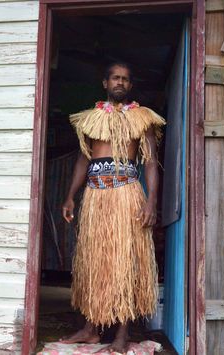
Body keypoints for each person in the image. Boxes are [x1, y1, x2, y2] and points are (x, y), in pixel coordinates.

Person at [60, 62, 165, 353]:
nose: (120, 82)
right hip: (95, 196)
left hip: (126, 196)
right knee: (94, 262)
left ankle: (122, 333)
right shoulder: (92, 118)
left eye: (125, 79)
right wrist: (70, 195)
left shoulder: (142, 118)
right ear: (105, 82)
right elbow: (84, 160)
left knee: (126, 263)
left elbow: (151, 162)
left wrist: (152, 201)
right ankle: (90, 329)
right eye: (115, 78)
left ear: (130, 86)